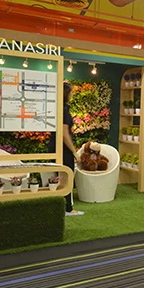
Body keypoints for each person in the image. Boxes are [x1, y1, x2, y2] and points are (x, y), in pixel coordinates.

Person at [48, 82, 84, 216]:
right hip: (62, 149)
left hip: (55, 146)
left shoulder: (58, 108)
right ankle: (68, 208)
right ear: (66, 94)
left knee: (61, 177)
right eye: (71, 92)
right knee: (66, 177)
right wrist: (74, 152)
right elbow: (64, 134)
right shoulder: (63, 110)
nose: (72, 95)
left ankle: (61, 208)